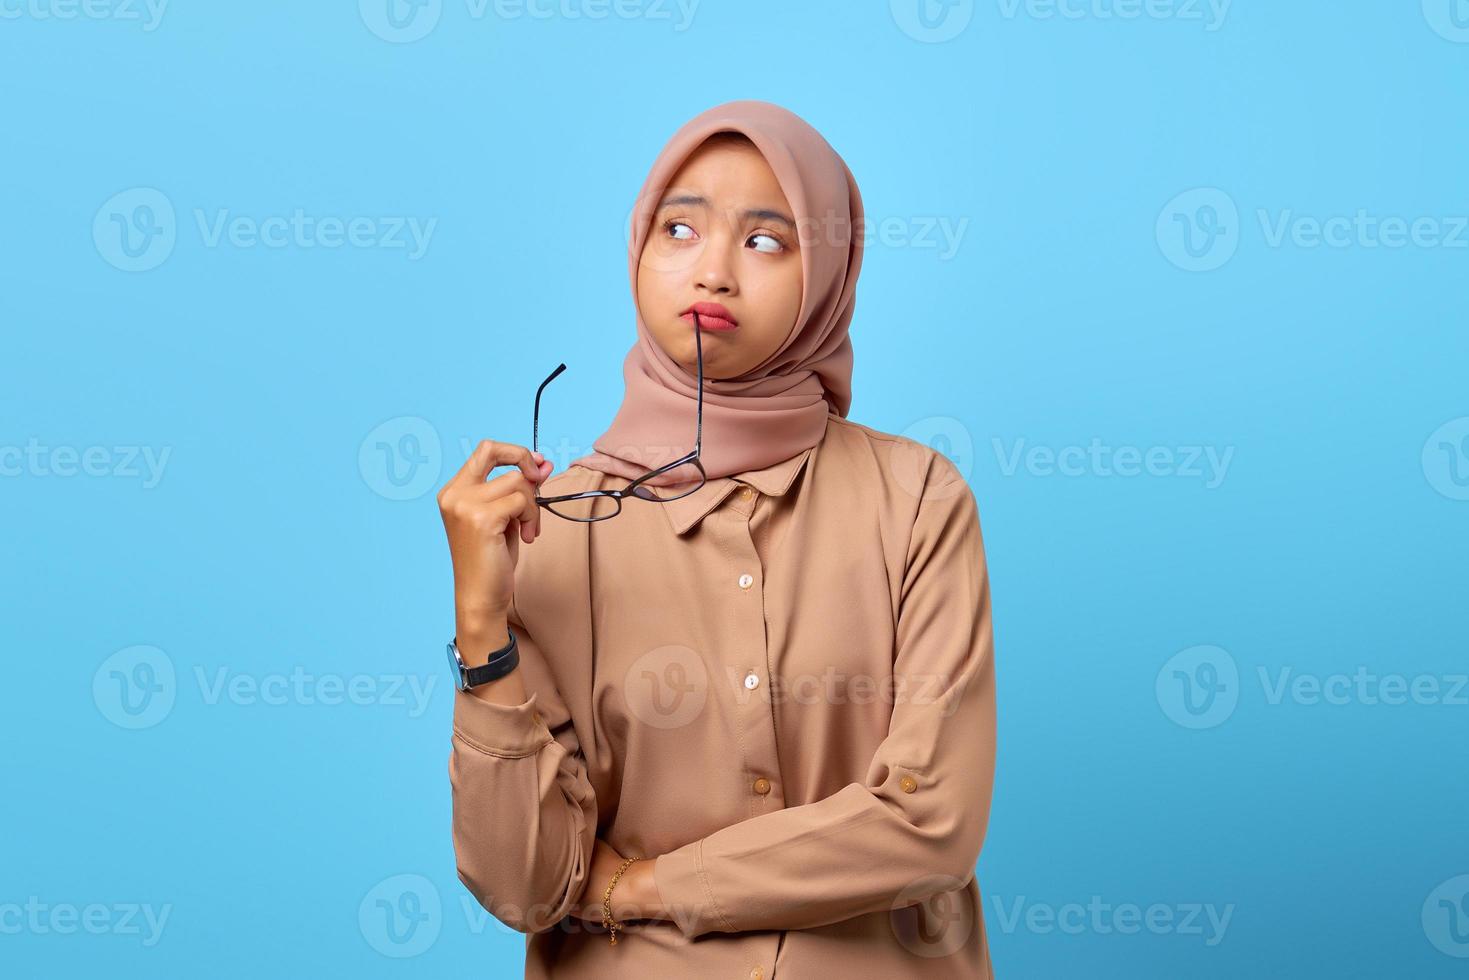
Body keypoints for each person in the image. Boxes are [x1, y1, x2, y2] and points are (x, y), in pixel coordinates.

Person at [438, 99, 997, 978]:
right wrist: (482, 632)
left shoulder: (916, 500)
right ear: (637, 251)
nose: (714, 275)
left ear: (830, 276)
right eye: (679, 230)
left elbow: (929, 826)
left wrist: (647, 887)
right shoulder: (548, 528)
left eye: (767, 241)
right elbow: (526, 888)